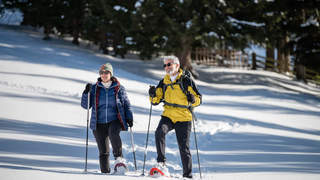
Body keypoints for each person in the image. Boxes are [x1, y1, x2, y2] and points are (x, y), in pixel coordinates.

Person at [148, 55, 202, 178]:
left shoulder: (186, 80)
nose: (166, 67)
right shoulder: (164, 82)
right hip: (168, 115)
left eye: (169, 64)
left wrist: (193, 99)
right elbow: (155, 101)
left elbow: (199, 99)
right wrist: (152, 94)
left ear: (177, 65)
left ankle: (187, 175)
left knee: (184, 147)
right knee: (159, 133)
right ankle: (161, 163)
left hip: (183, 117)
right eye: (165, 65)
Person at [81, 62, 133, 173]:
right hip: (98, 123)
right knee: (103, 151)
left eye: (106, 72)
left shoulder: (118, 88)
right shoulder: (94, 88)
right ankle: (105, 173)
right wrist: (86, 93)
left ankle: (119, 160)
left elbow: (126, 104)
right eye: (102, 72)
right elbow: (85, 106)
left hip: (114, 120)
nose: (104, 75)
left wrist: (129, 117)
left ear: (111, 74)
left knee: (113, 133)